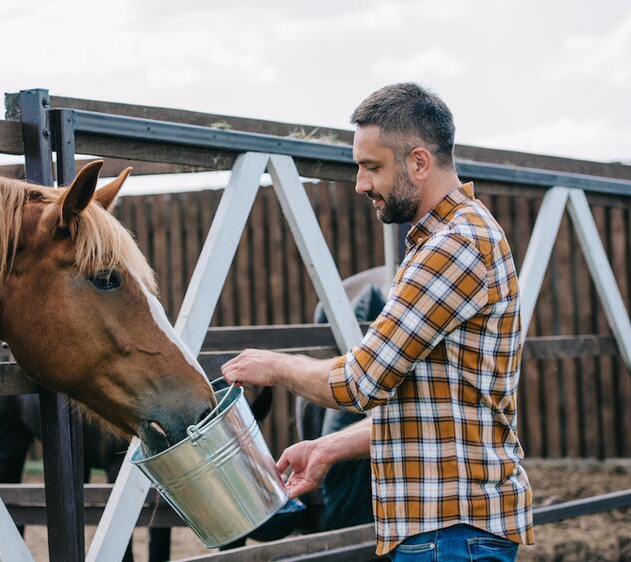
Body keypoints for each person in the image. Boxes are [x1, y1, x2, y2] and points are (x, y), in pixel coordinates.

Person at [222, 83, 533, 560]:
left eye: (372, 167)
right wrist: (329, 447)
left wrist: (275, 366)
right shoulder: (446, 241)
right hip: (447, 532)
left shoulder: (454, 246)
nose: (360, 184)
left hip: (448, 536)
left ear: (419, 163)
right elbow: (431, 409)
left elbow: (360, 382)